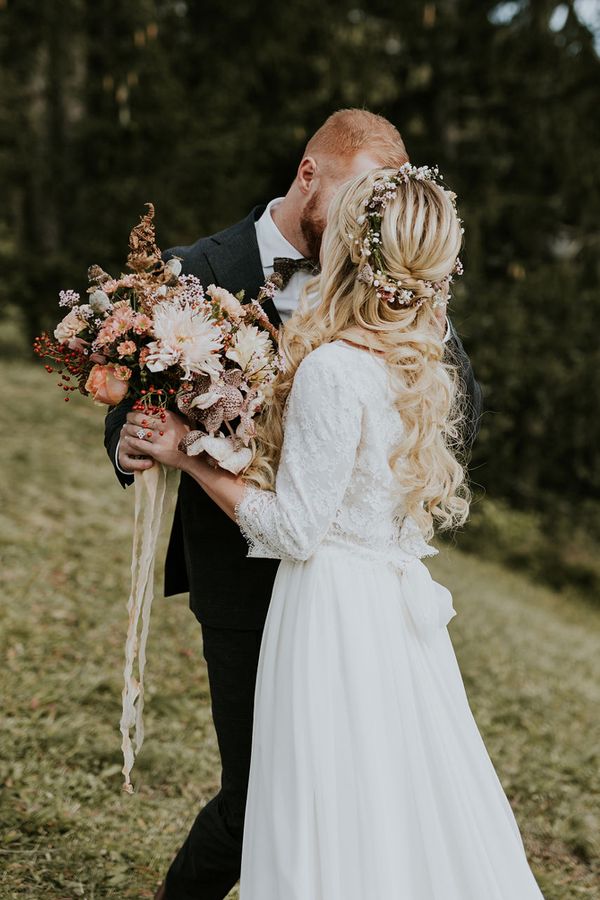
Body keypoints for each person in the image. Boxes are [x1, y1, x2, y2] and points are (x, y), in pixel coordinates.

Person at [136, 164, 544, 898]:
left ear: (348, 252)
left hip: (329, 612)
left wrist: (188, 455)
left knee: (314, 807)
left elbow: (295, 530)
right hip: (394, 617)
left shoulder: (334, 368)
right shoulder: (416, 365)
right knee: (394, 801)